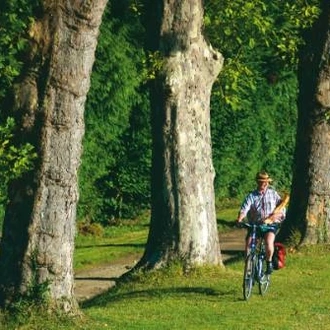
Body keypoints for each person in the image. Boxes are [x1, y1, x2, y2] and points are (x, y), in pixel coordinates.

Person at [236, 171, 286, 274]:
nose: (264, 184)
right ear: (257, 183)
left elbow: (282, 207)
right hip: (255, 225)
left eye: (266, 182)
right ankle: (248, 271)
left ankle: (269, 262)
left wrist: (276, 216)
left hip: (270, 225)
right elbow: (244, 209)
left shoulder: (273, 194)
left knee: (268, 242)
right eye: (261, 182)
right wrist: (240, 219)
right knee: (249, 244)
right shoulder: (251, 196)